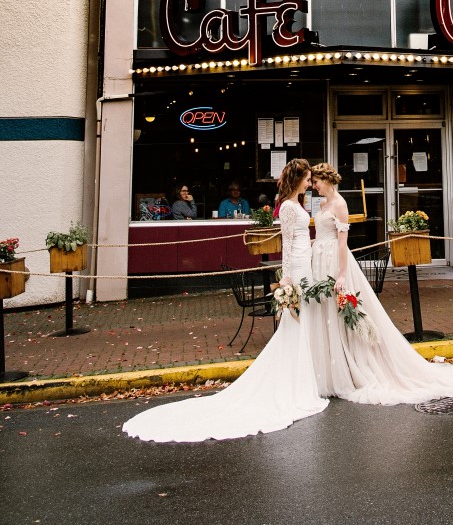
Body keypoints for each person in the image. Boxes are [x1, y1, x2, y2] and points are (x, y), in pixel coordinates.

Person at [123, 159, 327, 442]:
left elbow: (302, 239)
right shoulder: (290, 207)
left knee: (303, 320)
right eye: (306, 178)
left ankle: (305, 373)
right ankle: (296, 378)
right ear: (298, 179)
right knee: (296, 321)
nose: (309, 183)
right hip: (299, 267)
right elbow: (288, 244)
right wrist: (287, 278)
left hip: (308, 263)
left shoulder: (298, 204)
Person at [308, 162, 453, 405]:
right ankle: (332, 367)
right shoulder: (322, 204)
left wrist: (341, 274)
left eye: (315, 182)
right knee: (326, 313)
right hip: (319, 260)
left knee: (344, 311)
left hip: (335, 262)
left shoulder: (340, 204)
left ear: (325, 180)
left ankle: (353, 366)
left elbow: (342, 243)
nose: (313, 186)